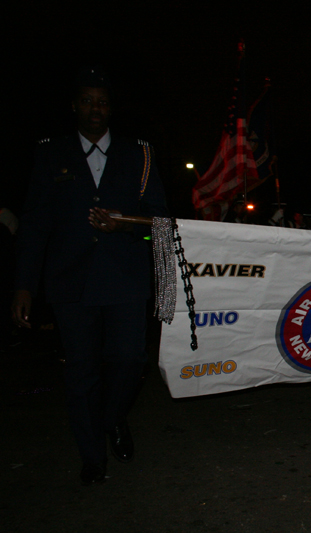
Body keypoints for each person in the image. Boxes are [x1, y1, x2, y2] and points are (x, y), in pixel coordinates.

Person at [11, 67, 169, 485]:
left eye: (102, 101)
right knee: (81, 369)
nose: (95, 109)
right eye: (87, 101)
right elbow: (35, 224)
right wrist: (24, 286)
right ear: (74, 105)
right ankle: (91, 457)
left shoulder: (139, 153)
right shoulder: (51, 153)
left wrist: (125, 224)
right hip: (71, 281)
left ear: (110, 108)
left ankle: (113, 418)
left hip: (125, 278)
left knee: (129, 359)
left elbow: (160, 218)